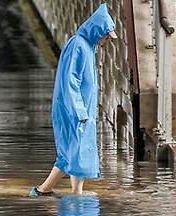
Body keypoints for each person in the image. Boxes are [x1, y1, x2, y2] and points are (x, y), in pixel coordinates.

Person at [30, 4, 117, 197]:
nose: (106, 40)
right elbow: (71, 81)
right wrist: (80, 111)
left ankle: (72, 191)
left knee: (75, 151)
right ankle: (44, 190)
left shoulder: (86, 46)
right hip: (73, 110)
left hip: (80, 110)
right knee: (72, 151)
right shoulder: (79, 45)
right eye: (106, 36)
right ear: (98, 31)